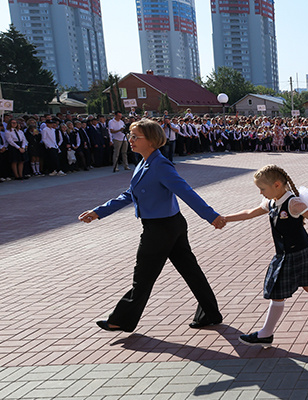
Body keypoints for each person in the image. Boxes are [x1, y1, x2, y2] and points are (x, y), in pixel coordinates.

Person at [79, 118, 226, 333]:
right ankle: (211, 313)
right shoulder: (144, 162)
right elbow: (130, 194)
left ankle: (121, 319)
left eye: (135, 136)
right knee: (190, 270)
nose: (130, 140)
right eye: (130, 135)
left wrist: (211, 216)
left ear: (151, 140)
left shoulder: (160, 164)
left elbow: (185, 191)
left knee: (143, 275)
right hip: (168, 225)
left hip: (161, 229)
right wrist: (98, 212)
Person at [223, 165, 308, 346]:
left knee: (279, 292)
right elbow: (250, 212)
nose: (260, 193)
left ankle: (266, 334)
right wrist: (225, 218)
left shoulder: (292, 203)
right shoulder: (272, 202)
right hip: (287, 253)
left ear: (277, 185)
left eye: (262, 189)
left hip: (297, 253)